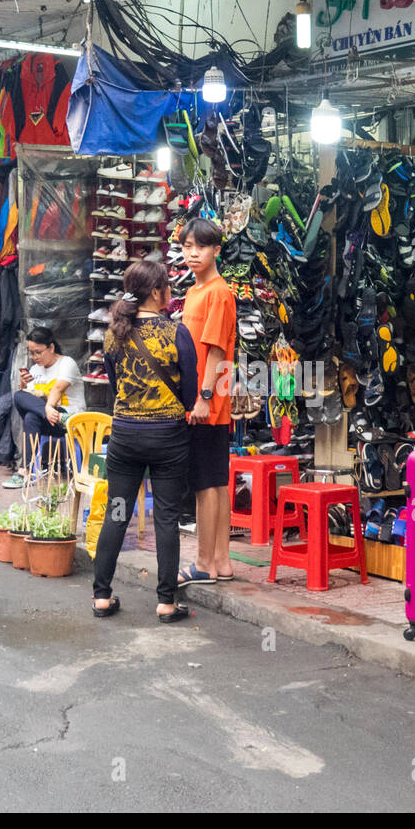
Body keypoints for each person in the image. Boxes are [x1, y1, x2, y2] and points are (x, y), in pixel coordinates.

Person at [92, 259, 198, 623]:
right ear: (157, 292)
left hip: (124, 438)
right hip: (168, 437)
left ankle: (102, 597)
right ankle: (167, 603)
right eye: (167, 285)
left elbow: (112, 382)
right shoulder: (176, 333)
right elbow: (190, 392)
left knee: (117, 512)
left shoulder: (113, 333)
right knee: (166, 518)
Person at [178, 218, 237, 587]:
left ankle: (205, 563)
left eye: (200, 246)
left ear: (216, 249)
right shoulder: (193, 292)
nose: (192, 253)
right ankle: (221, 562)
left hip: (207, 402)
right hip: (205, 400)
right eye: (186, 246)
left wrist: (203, 397)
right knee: (214, 481)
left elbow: (216, 349)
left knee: (206, 484)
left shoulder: (219, 292)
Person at [2, 328, 86, 488]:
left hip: (70, 420)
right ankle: (26, 473)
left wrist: (47, 407)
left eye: (38, 352)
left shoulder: (67, 363)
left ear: (51, 348)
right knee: (21, 398)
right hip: (50, 419)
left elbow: (58, 389)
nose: (35, 357)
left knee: (31, 416)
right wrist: (23, 385)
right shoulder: (34, 370)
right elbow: (28, 399)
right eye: (32, 353)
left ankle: (25, 472)